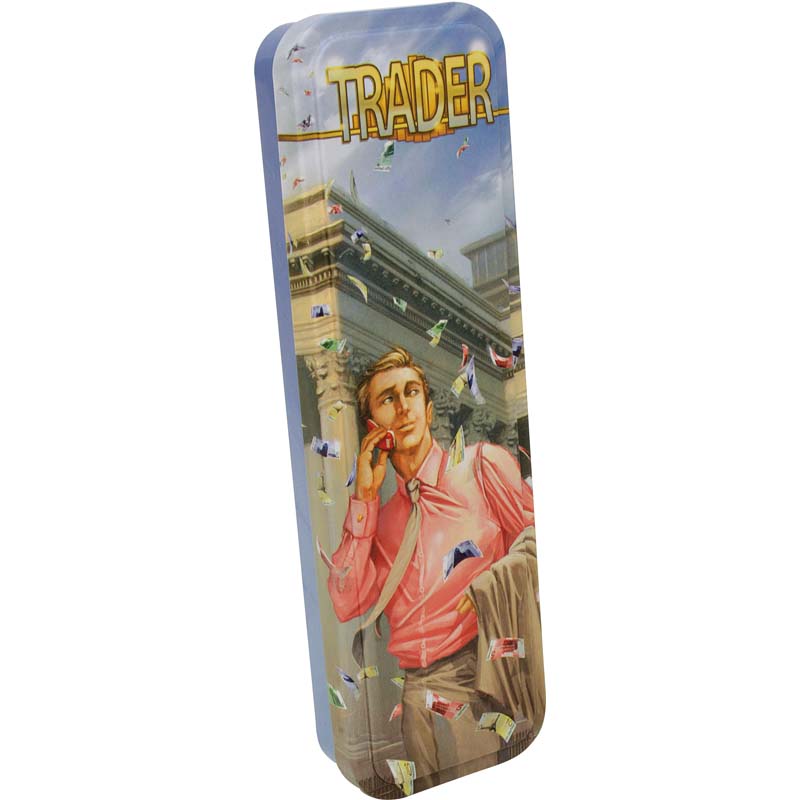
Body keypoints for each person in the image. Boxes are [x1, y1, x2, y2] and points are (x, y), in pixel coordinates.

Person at [326, 346, 537, 791]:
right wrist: (364, 499)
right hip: (414, 700)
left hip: (477, 683)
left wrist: (490, 585)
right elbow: (346, 603)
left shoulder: (482, 467)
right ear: (372, 427)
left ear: (428, 407)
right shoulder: (380, 521)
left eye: (412, 392)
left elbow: (539, 544)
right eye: (388, 399)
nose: (404, 408)